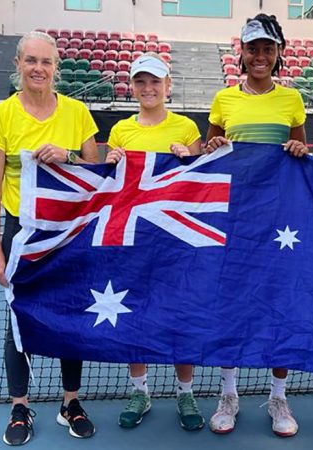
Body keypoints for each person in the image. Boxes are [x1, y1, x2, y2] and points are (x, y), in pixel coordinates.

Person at [0, 31, 100, 446]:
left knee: (71, 317)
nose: (38, 68)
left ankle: (71, 402)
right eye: (30, 60)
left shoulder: (78, 113)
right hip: (21, 233)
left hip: (69, 234)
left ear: (56, 68)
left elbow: (94, 170)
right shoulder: (0, 117)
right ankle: (19, 406)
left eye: (46, 62)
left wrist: (66, 155)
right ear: (18, 64)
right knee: (19, 319)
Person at [204, 13, 309, 438]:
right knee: (231, 304)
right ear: (242, 54)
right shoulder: (224, 100)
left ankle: (278, 395)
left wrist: (300, 148)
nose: (260, 55)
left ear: (278, 53)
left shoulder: (291, 100)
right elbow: (208, 156)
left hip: (281, 224)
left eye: (268, 48)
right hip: (233, 221)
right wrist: (213, 146)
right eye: (253, 48)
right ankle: (228, 393)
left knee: (279, 305)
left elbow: (301, 152)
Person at [104, 53, 205, 432]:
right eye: (140, 82)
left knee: (180, 314)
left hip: (176, 240)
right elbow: (107, 184)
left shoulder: (186, 127)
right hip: (134, 238)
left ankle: (185, 392)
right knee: (135, 313)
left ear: (168, 86)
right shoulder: (120, 131)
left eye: (155, 82)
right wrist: (111, 160)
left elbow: (202, 179)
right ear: (132, 87)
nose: (148, 89)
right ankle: (140, 390)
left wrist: (187, 157)